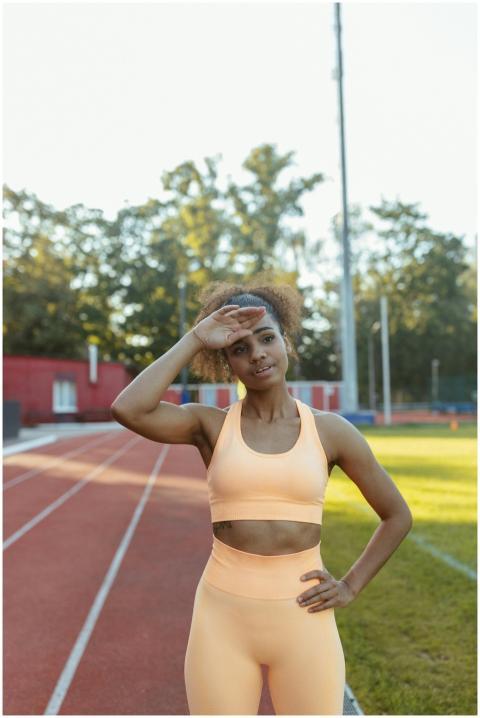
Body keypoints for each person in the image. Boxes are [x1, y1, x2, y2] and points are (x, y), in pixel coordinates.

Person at [111, 280, 413, 715]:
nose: (257, 355)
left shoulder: (330, 431)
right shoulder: (209, 425)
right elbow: (129, 409)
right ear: (226, 361)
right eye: (239, 348)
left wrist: (349, 586)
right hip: (223, 618)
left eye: (267, 338)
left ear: (285, 340)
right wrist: (196, 339)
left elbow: (396, 515)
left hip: (304, 619)